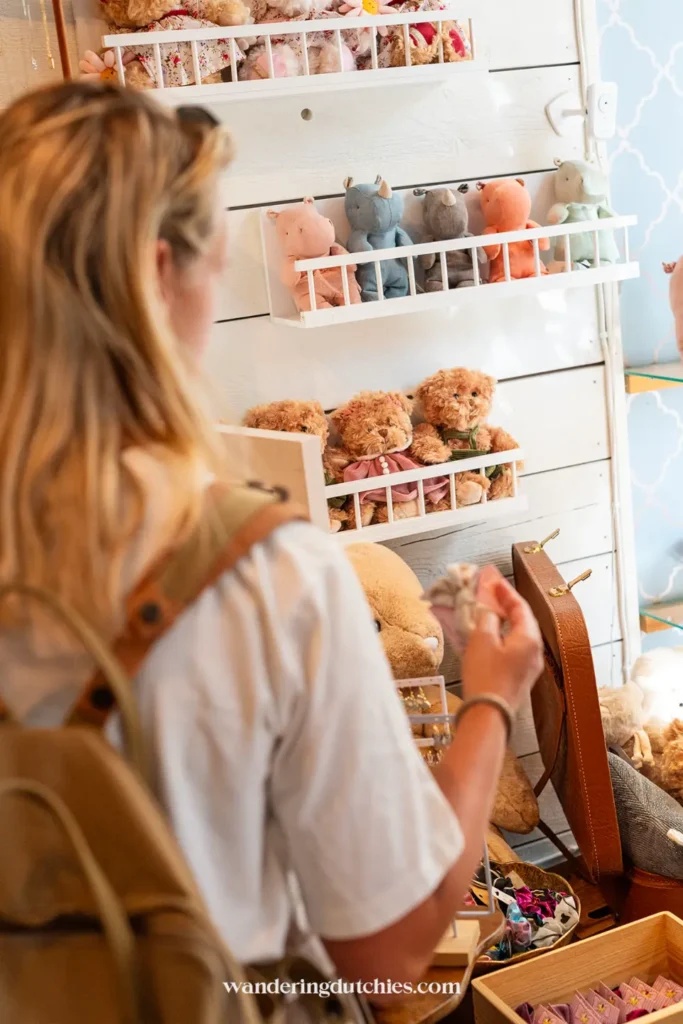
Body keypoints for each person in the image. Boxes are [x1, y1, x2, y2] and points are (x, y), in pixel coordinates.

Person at [0, 82, 542, 989]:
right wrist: (489, 699)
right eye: (217, 256)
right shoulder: (262, 573)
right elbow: (392, 947)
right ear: (158, 271)